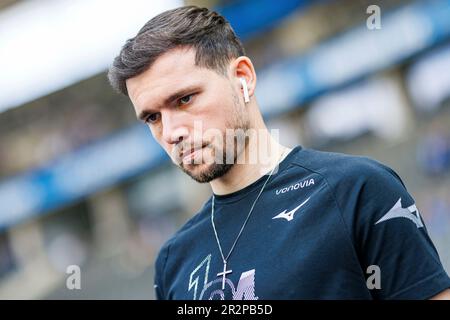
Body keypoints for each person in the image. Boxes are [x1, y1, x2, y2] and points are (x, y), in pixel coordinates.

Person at [107, 6, 450, 300]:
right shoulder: (173, 261)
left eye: (184, 99)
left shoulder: (357, 190)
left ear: (242, 77)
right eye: (152, 117)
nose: (171, 132)